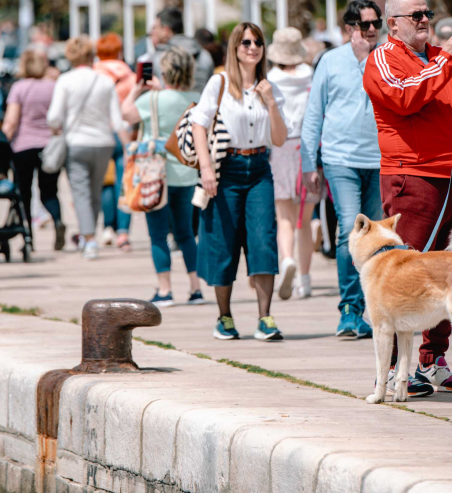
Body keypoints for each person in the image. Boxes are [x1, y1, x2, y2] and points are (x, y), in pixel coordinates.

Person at [363, 0, 452, 398]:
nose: (423, 19)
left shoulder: (441, 56)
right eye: (414, 14)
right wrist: (448, 61)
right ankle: (399, 369)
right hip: (412, 176)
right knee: (409, 272)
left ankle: (433, 360)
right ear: (392, 24)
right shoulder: (382, 58)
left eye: (427, 12)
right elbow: (402, 97)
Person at [193, 22, 288, 342]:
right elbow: (198, 124)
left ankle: (265, 318)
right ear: (235, 47)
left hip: (259, 168)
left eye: (258, 42)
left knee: (263, 240)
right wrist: (206, 168)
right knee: (223, 242)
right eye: (245, 42)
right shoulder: (219, 82)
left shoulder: (269, 86)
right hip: (226, 168)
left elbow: (279, 138)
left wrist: (271, 102)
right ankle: (224, 316)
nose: (252, 47)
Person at [302, 0, 383, 338]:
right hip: (340, 159)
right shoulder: (330, 61)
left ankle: (374, 308)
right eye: (366, 25)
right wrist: (310, 165)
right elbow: (313, 113)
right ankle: (349, 309)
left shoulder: (387, 58)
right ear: (349, 29)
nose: (373, 29)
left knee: (377, 237)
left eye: (377, 22)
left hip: (381, 160)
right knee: (350, 229)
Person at [122, 46, 203, 306]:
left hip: (156, 174)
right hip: (186, 173)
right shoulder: (197, 97)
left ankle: (165, 290)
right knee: (186, 234)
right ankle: (195, 288)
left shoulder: (153, 99)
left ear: (165, 72)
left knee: (157, 234)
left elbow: (126, 114)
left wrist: (139, 88)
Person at [46, 36, 127, 260]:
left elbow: (54, 117)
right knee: (95, 192)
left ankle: (89, 239)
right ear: (92, 55)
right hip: (104, 143)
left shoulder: (65, 80)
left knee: (80, 193)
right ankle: (88, 233)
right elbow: (117, 120)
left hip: (76, 143)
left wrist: (57, 128)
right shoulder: (105, 81)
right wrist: (127, 145)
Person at [265, 27, 317, 300]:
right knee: (305, 221)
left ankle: (286, 260)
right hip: (308, 147)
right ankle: (305, 281)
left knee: (284, 217)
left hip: (280, 146)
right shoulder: (311, 75)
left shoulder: (270, 79)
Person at [2, 50, 66, 252]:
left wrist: (3, 143)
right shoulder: (54, 87)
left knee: (24, 194)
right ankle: (57, 221)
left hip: (23, 146)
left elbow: (11, 121)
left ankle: (28, 239)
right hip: (50, 146)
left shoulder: (19, 88)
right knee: (49, 191)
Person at [94, 32, 136, 251]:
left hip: (101, 133)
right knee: (124, 183)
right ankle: (123, 233)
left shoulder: (94, 74)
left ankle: (108, 227)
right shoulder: (129, 75)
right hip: (124, 133)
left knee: (105, 183)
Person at [146, 7, 215, 93]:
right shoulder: (204, 55)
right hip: (199, 103)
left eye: (155, 28)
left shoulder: (158, 58)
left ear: (165, 30)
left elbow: (145, 91)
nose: (152, 32)